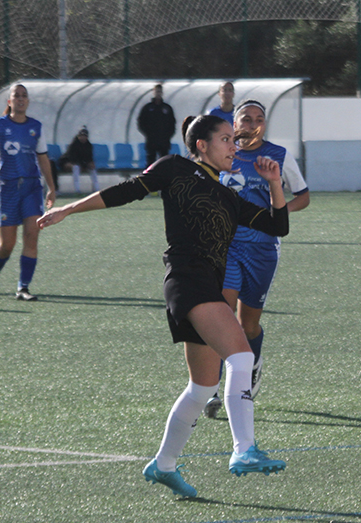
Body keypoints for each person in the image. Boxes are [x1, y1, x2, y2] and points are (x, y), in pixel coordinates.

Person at [36, 114, 290, 499]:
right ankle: (244, 450)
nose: (233, 146)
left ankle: (164, 465)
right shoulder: (175, 168)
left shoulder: (227, 196)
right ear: (200, 144)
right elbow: (127, 190)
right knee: (240, 357)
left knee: (202, 387)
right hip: (188, 281)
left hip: (205, 284)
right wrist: (68, 210)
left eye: (233, 140)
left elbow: (277, 226)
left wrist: (274, 183)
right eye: (225, 139)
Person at [203, 99, 310, 419]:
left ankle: (254, 364)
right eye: (245, 119)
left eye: (258, 119)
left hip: (262, 250)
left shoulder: (277, 155)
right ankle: (213, 388)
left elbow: (302, 196)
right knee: (220, 317)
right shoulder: (220, 153)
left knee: (248, 325)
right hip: (225, 248)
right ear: (234, 123)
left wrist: (277, 215)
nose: (251, 124)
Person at [0, 83, 57, 301]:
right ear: (10, 101)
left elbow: (43, 158)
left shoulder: (36, 127)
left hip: (32, 187)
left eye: (24, 96)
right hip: (7, 188)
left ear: (28, 101)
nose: (21, 99)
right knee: (7, 245)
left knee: (32, 236)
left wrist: (51, 188)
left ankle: (23, 287)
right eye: (17, 96)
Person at [137, 83, 176, 167]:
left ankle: (164, 179)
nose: (158, 93)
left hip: (164, 141)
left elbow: (172, 123)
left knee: (165, 163)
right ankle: (150, 180)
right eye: (156, 91)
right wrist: (148, 134)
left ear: (162, 93)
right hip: (151, 141)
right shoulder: (148, 108)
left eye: (160, 92)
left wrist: (167, 135)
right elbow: (141, 122)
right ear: (153, 92)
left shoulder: (166, 108)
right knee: (150, 163)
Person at [59, 126, 99, 193]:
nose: (83, 137)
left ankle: (96, 189)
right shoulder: (74, 145)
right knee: (76, 167)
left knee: (92, 169)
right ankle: (77, 190)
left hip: (82, 163)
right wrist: (82, 164)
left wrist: (90, 163)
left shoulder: (89, 146)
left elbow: (89, 157)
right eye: (81, 135)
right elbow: (71, 158)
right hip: (68, 162)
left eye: (84, 136)